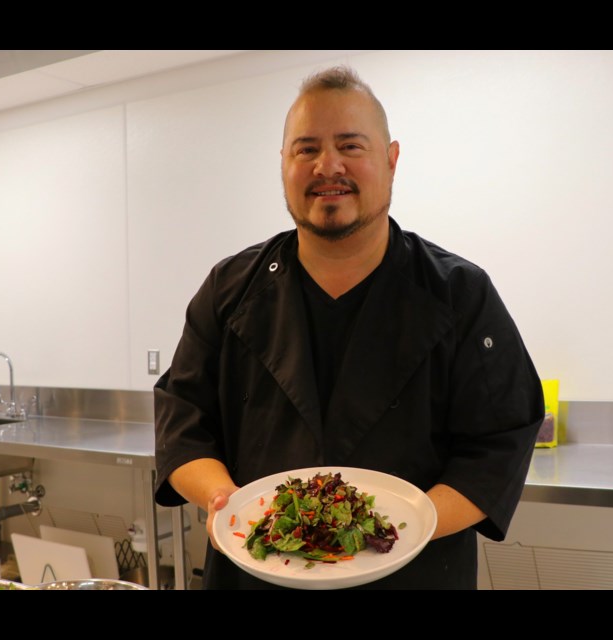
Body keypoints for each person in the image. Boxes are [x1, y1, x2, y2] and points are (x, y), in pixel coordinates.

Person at [154, 66, 543, 589]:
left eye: (350, 146)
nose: (327, 165)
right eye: (306, 148)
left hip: (415, 574)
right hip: (255, 567)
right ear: (284, 164)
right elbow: (182, 419)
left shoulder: (460, 294)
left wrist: (398, 530)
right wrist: (226, 501)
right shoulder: (230, 289)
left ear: (391, 160)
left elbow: (500, 441)